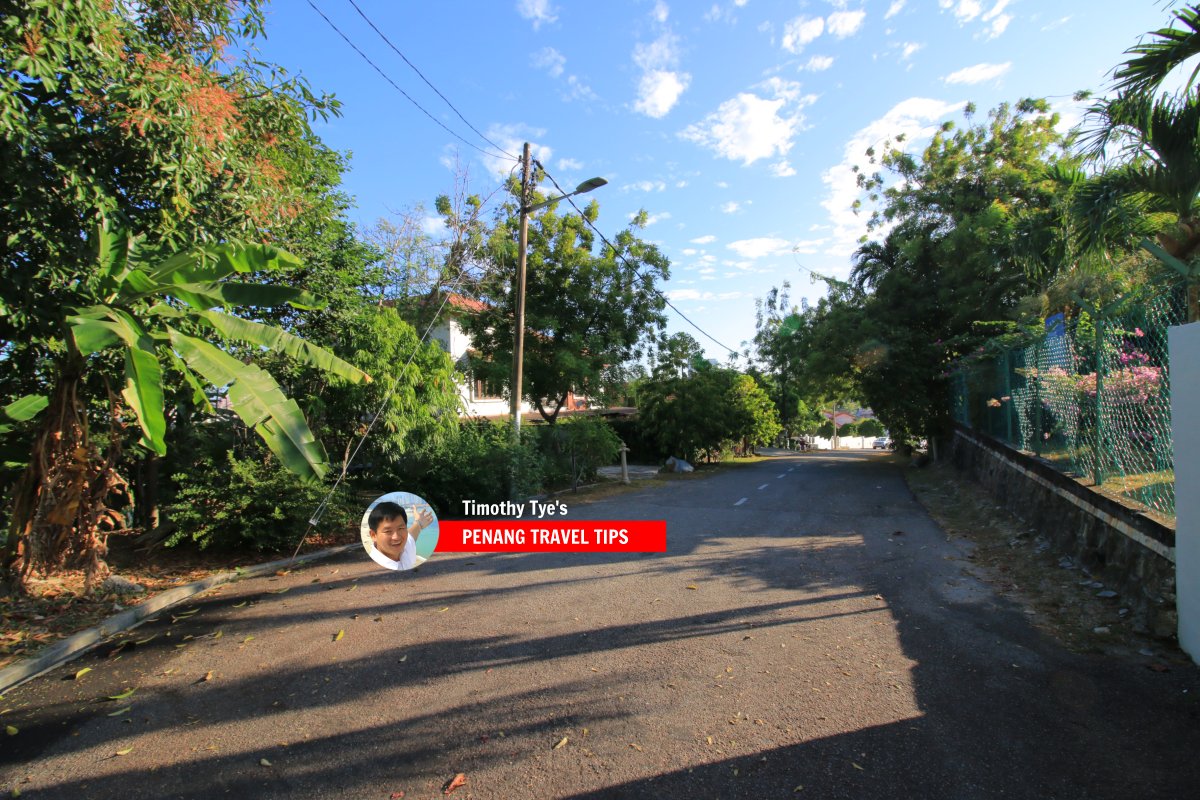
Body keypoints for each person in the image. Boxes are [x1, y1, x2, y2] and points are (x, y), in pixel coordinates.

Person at [366, 501, 434, 571]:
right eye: (388, 531)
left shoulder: (405, 548)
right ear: (373, 535)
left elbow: (411, 534)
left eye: (401, 528)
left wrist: (419, 523)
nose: (396, 537)